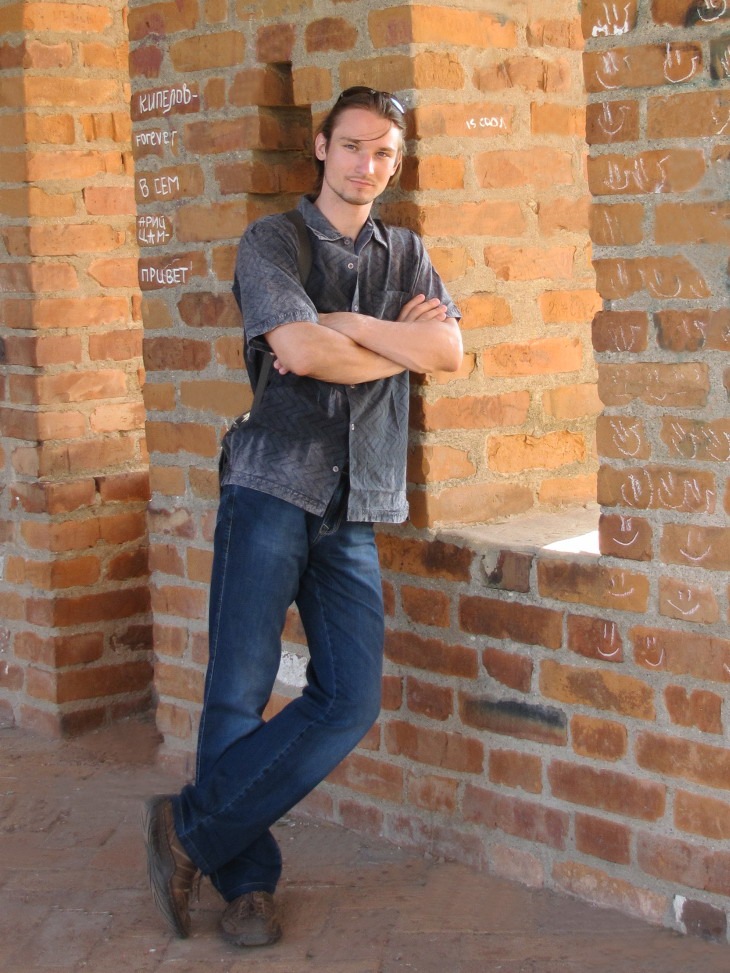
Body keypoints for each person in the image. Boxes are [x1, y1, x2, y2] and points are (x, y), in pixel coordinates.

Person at [144, 86, 462, 948]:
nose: (368, 165)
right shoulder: (271, 241)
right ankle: (248, 885)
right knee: (239, 691)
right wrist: (389, 344)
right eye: (354, 146)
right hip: (270, 486)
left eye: (385, 152)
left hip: (356, 504)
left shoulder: (408, 254)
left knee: (350, 698)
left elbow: (448, 349)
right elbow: (297, 348)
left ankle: (189, 828)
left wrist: (348, 323)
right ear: (322, 147)